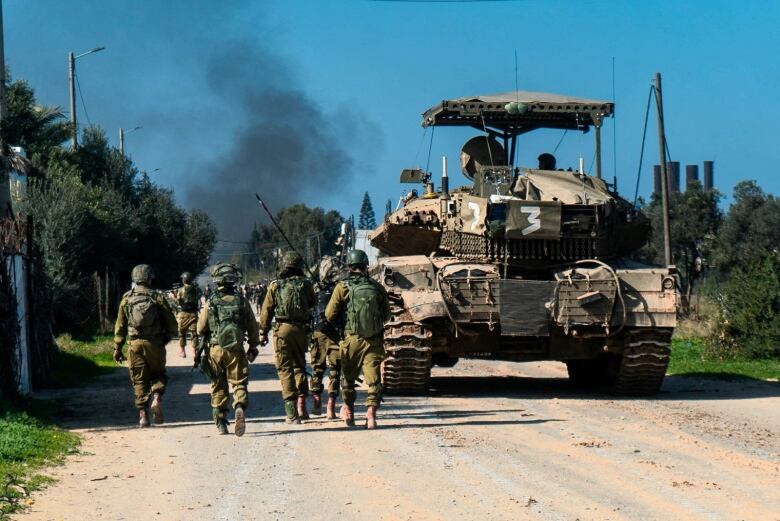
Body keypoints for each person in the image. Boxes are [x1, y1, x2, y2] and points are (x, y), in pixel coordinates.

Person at [325, 249, 389, 429]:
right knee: (374, 379)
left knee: (348, 379)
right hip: (373, 341)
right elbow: (387, 315)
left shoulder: (342, 287)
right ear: (365, 265)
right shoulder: (376, 287)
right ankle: (371, 415)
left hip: (351, 339)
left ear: (349, 266)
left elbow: (329, 315)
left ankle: (350, 413)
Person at [196, 263, 260, 436]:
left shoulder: (211, 302)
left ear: (217, 281)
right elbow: (253, 327)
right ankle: (239, 406)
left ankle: (221, 423)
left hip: (216, 350)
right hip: (236, 349)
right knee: (239, 382)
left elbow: (200, 329)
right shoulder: (241, 300)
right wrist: (253, 346)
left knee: (218, 385)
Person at [113, 264, 178, 428]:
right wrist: (164, 339)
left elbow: (120, 326)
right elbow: (172, 326)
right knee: (158, 375)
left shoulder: (126, 299)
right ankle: (156, 398)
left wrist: (117, 348)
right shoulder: (157, 298)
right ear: (150, 278)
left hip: (134, 345)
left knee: (139, 380)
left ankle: (143, 416)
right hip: (155, 344)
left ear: (134, 278)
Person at [258, 252, 316, 424]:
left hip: (282, 330)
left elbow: (266, 310)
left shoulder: (276, 285)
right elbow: (312, 303)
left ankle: (291, 414)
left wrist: (263, 332)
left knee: (285, 369)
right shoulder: (306, 284)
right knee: (300, 366)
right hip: (302, 330)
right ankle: (302, 406)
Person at [309, 256, 344, 418]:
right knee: (335, 370)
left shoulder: (315, 288)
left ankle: (317, 402)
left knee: (317, 369)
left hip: (319, 333)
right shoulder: (342, 288)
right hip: (336, 333)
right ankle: (331, 406)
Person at [176, 272, 201, 358]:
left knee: (181, 333)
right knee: (194, 334)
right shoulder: (196, 289)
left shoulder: (180, 290)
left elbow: (178, 301)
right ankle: (195, 352)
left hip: (183, 314)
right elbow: (199, 297)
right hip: (193, 313)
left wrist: (173, 297)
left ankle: (182, 352)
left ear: (183, 280)